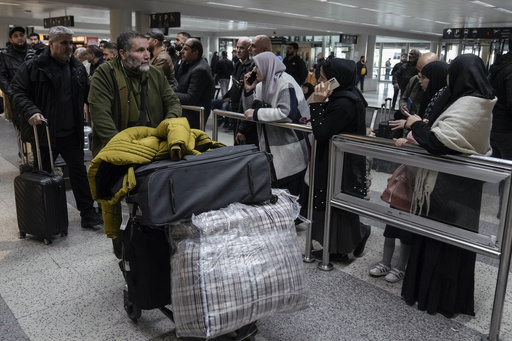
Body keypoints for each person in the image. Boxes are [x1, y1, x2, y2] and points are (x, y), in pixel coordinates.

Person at [401, 54, 496, 318]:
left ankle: (438, 298)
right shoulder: (478, 100)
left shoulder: (472, 104)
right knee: (445, 241)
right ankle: (434, 295)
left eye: (451, 72)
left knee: (443, 241)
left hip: (451, 187)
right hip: (460, 186)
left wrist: (416, 124)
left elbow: (439, 143)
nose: (447, 77)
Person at [88, 30, 182, 252]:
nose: (147, 55)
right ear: (122, 53)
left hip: (153, 151)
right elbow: (102, 119)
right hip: (118, 152)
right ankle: (126, 255)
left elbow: (173, 103)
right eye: (139, 50)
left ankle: (153, 251)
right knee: (119, 208)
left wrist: (168, 125)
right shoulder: (105, 74)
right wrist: (126, 153)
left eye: (148, 49)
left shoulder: (156, 74)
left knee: (155, 204)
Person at [10, 26, 103, 229]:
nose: (69, 47)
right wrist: (31, 110)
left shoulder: (77, 67)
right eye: (64, 43)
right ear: (51, 43)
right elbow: (16, 91)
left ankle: (88, 214)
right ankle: (47, 215)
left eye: (71, 43)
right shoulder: (34, 67)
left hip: (71, 132)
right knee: (45, 173)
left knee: (79, 173)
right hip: (44, 132)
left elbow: (87, 94)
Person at [369, 61, 448, 283]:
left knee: (407, 226)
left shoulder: (442, 102)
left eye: (423, 76)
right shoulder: (430, 98)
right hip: (407, 174)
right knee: (393, 222)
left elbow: (432, 137)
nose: (419, 80)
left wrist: (413, 132)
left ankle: (401, 266)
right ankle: (387, 262)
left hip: (422, 178)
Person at [307, 57, 371, 261]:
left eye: (324, 78)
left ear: (337, 79)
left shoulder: (343, 103)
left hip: (340, 164)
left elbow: (321, 131)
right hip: (344, 162)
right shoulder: (350, 94)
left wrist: (317, 104)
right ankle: (347, 240)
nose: (320, 82)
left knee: (335, 203)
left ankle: (342, 246)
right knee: (337, 203)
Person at [241, 51, 309, 196]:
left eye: (257, 67)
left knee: (291, 191)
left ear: (267, 66)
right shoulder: (261, 85)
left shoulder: (285, 82)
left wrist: (258, 113)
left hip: (289, 146)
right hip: (270, 145)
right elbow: (249, 111)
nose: (254, 70)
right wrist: (248, 91)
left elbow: (287, 113)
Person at [488, 37, 512, 217]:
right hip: (508, 131)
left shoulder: (500, 65)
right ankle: (506, 211)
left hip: (496, 126)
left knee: (505, 173)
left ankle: (503, 209)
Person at [173, 38, 214, 129]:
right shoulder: (188, 64)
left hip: (193, 117)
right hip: (186, 114)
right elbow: (179, 86)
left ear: (195, 53)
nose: (181, 51)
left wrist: (169, 94)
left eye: (186, 49)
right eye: (182, 48)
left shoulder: (200, 70)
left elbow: (191, 98)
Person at [0, 26, 33, 123]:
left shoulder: (33, 54)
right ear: (11, 39)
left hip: (34, 96)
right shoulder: (5, 56)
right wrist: (13, 93)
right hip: (17, 98)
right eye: (16, 36)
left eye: (21, 35)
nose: (19, 38)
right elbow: (1, 77)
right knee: (22, 128)